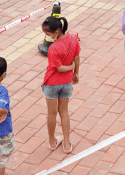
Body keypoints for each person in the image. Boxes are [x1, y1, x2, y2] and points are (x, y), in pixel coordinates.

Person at [41, 15, 81, 154]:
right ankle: (67, 143)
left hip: (52, 83)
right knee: (64, 111)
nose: (48, 37)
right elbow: (77, 57)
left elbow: (59, 68)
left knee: (51, 113)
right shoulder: (73, 39)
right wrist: (75, 72)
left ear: (56, 31)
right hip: (66, 83)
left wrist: (70, 68)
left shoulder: (53, 48)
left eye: (48, 34)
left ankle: (52, 142)